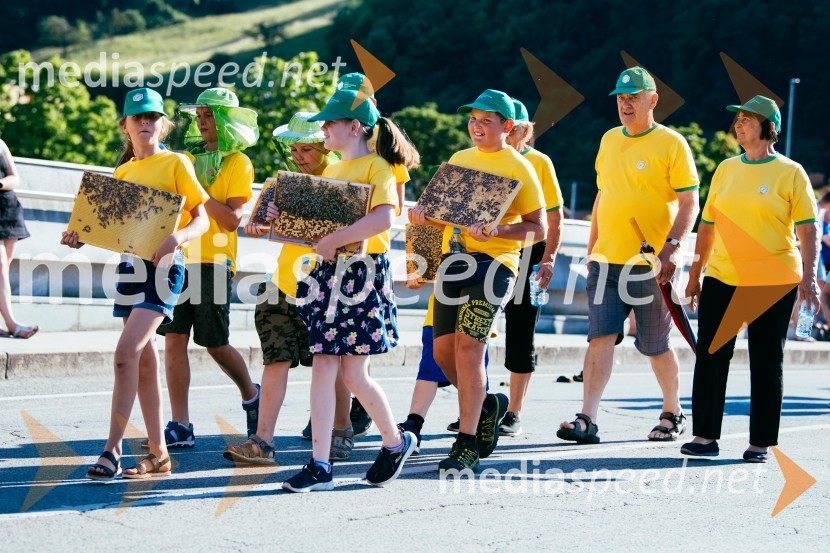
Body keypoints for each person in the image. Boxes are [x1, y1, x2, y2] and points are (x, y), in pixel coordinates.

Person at [62, 87, 209, 480]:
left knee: (125, 353)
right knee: (143, 362)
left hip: (164, 269)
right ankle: (159, 453)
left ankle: (112, 450)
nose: (145, 123)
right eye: (137, 117)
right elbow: (115, 230)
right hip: (130, 270)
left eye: (152, 117)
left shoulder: (177, 162)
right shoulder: (123, 172)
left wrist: (175, 238)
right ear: (125, 126)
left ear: (164, 124)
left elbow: (203, 219)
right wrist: (81, 235)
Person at [281, 84, 419, 492]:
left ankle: (394, 443)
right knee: (323, 365)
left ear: (354, 127)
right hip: (328, 274)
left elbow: (383, 220)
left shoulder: (379, 167)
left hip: (362, 274)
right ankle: (320, 464)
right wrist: (279, 215)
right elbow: (316, 227)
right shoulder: (333, 170)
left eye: (330, 121)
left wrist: (335, 238)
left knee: (355, 374)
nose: (323, 127)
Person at [557, 67, 700, 444]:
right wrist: (591, 250)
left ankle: (672, 411)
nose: (625, 104)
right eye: (621, 98)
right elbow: (604, 197)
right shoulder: (608, 140)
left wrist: (672, 248)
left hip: (652, 262)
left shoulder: (672, 143)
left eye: (633, 97)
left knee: (654, 344)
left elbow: (690, 201)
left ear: (652, 100)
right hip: (607, 261)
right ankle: (587, 417)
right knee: (600, 337)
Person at [409, 89, 547, 471]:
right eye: (472, 119)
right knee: (442, 354)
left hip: (496, 264)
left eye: (486, 120)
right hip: (455, 262)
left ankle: (465, 441)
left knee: (470, 348)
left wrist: (499, 229)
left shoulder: (521, 166)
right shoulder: (458, 160)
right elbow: (439, 214)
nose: (476, 126)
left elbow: (538, 228)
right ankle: (487, 405)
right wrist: (422, 217)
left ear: (507, 126)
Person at [681, 96, 820, 462]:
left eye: (747, 120)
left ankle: (760, 442)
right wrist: (695, 274)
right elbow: (707, 227)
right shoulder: (726, 169)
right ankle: (705, 436)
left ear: (768, 127)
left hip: (773, 279)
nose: (739, 125)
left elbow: (808, 229)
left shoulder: (790, 172)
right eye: (737, 120)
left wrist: (810, 277)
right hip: (723, 275)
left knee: (765, 358)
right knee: (711, 354)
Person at [223, 111, 340, 465]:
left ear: (324, 145)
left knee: (333, 365)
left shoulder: (343, 175)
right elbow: (252, 225)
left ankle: (342, 428)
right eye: (294, 150)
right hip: (281, 285)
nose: (298, 157)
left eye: (306, 149)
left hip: (327, 288)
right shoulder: (282, 181)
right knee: (276, 360)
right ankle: (263, 442)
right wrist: (262, 223)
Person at [152, 88, 260, 449]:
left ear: (225, 120)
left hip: (214, 260)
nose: (200, 122)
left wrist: (198, 188)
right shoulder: (185, 156)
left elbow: (231, 220)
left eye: (208, 115)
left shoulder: (239, 162)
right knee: (173, 339)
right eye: (198, 115)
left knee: (214, 343)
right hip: (178, 256)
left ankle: (251, 394)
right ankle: (180, 424)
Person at [499, 98, 563, 436]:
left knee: (522, 329)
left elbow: (554, 216)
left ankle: (513, 411)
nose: (512, 134)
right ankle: (480, 405)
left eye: (516, 128)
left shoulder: (539, 162)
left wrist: (549, 257)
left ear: (524, 130)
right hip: (491, 251)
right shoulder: (487, 159)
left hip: (530, 253)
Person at [0, 138, 38, 338]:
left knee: (3, 268)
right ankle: (12, 324)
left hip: (7, 210)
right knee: (0, 267)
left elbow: (14, 178)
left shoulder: (0, 144)